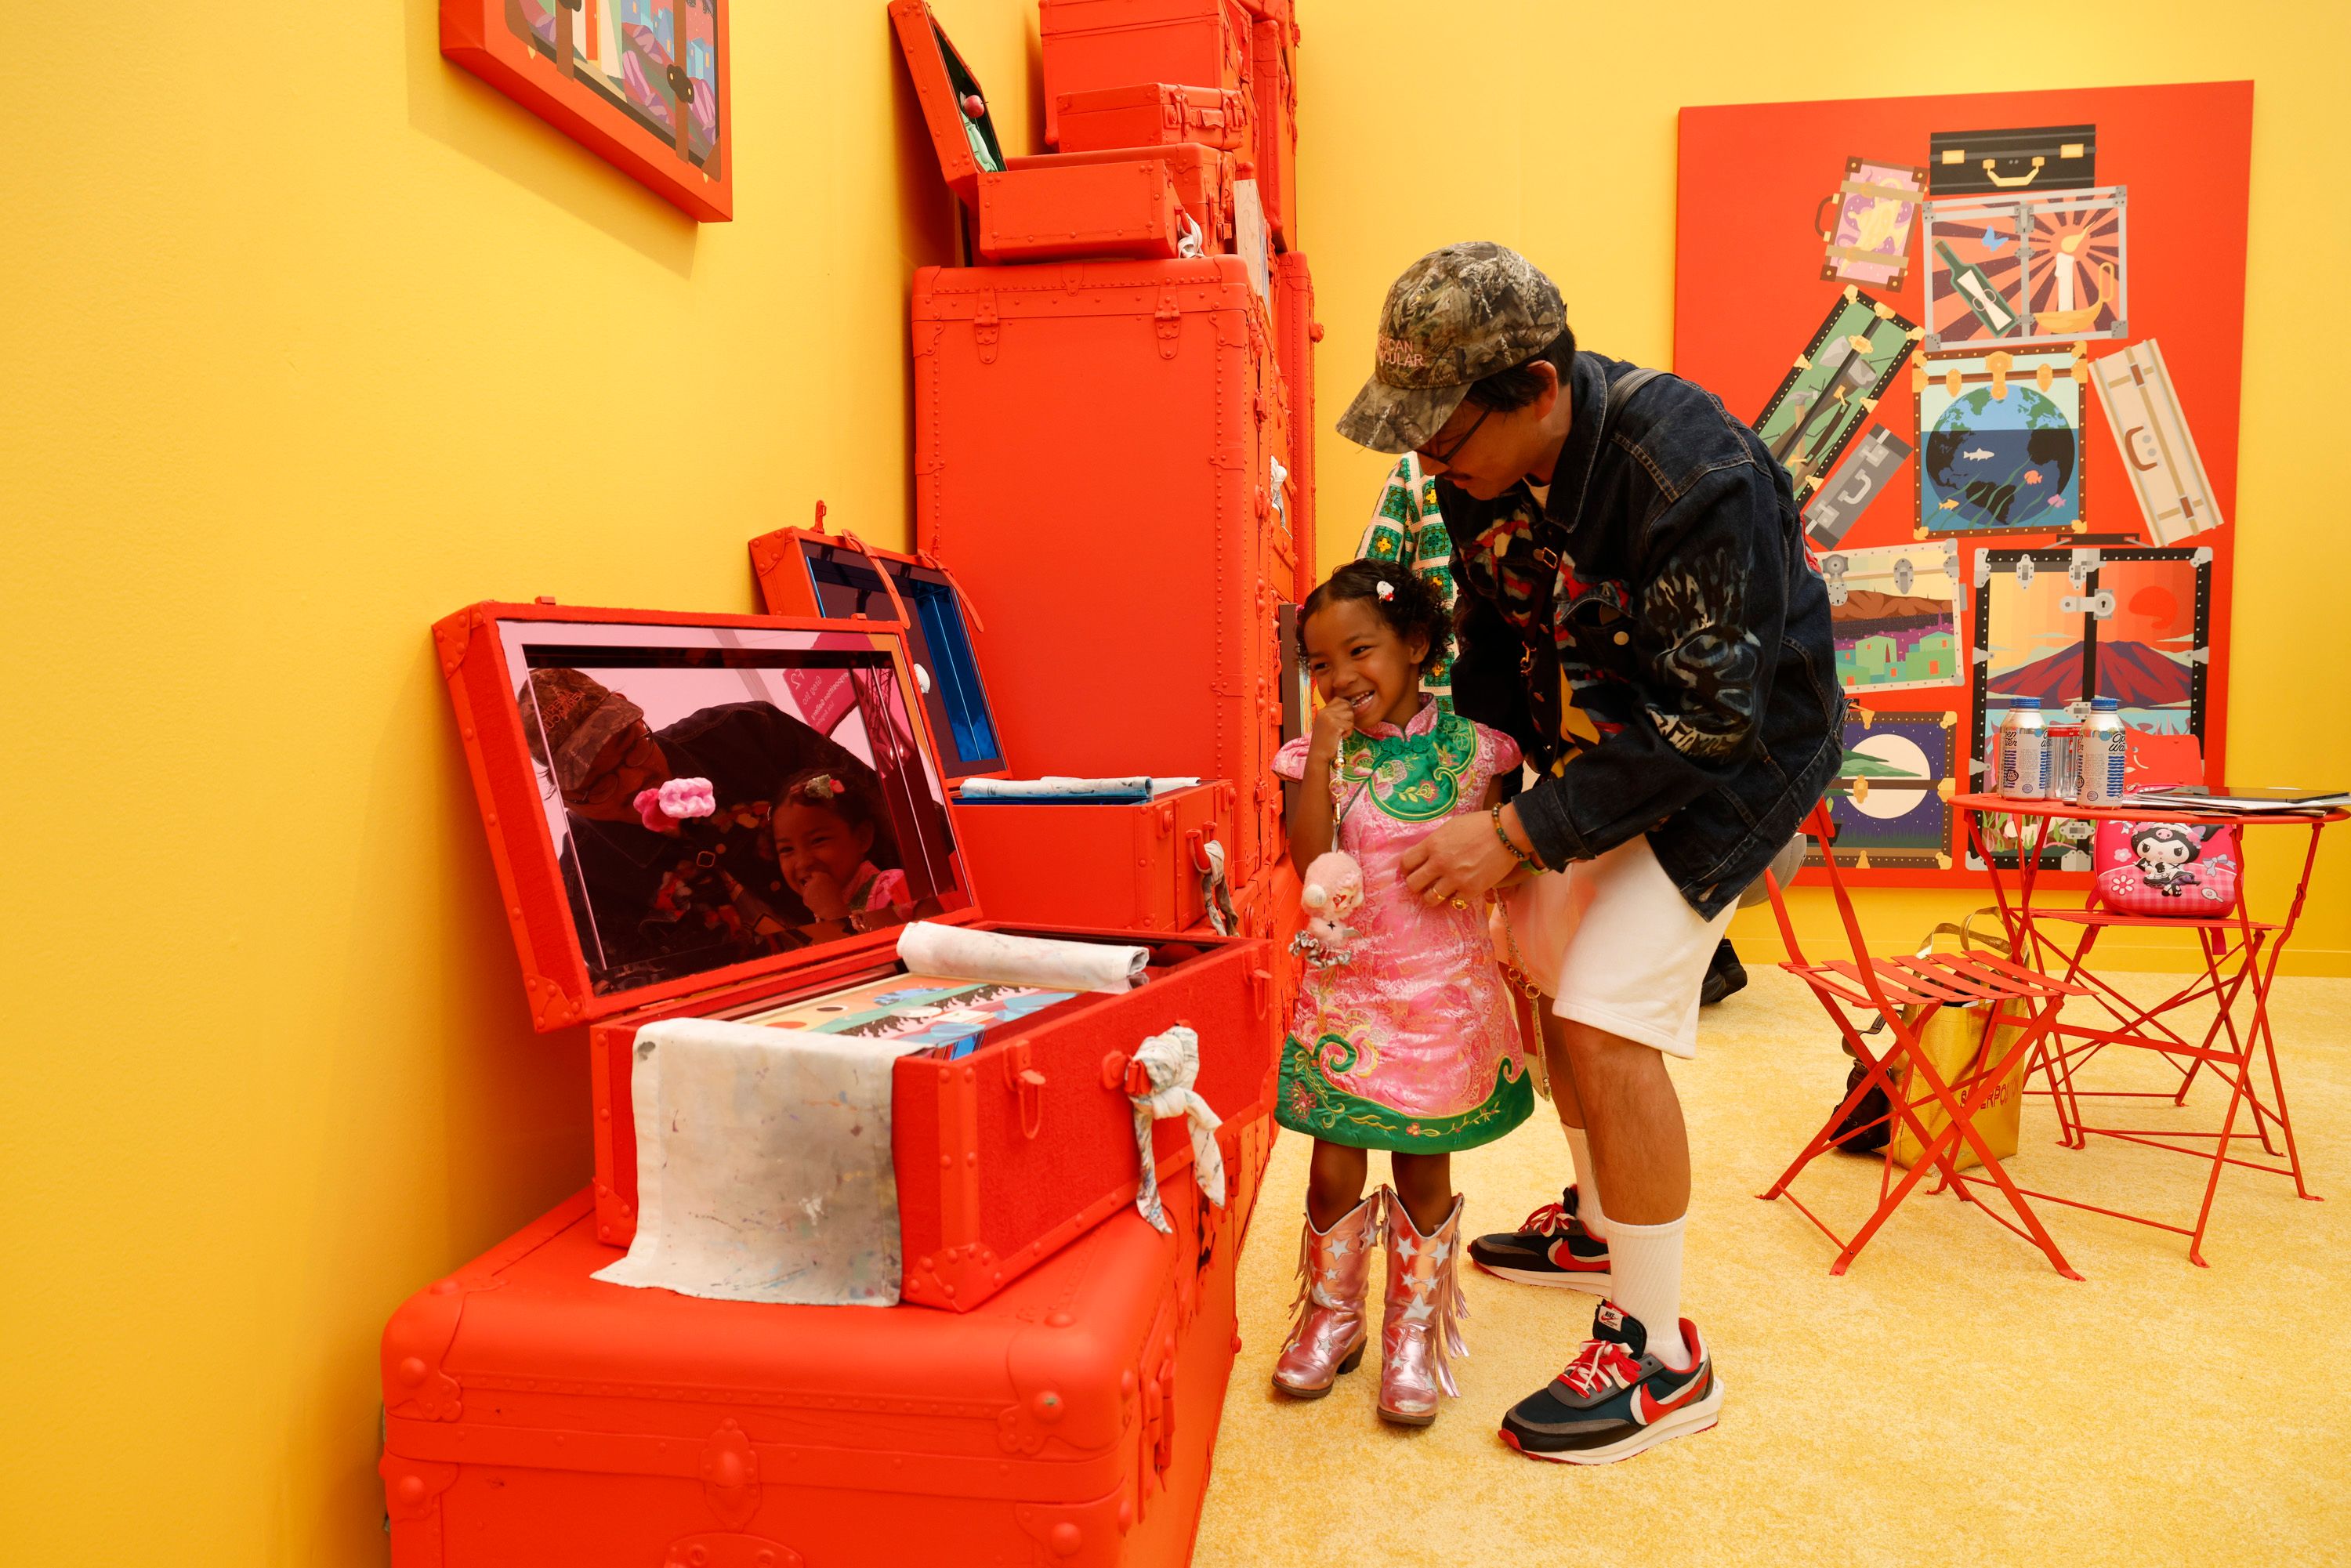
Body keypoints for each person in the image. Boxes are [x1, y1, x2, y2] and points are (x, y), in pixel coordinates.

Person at [1334, 242, 1842, 1463]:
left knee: (1609, 1016)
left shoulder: (1694, 471)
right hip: (1602, 743)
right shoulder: (1479, 470)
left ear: (1539, 390)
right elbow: (1499, 639)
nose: (1431, 466)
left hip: (1738, 757)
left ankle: (1663, 1355)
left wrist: (1519, 832)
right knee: (1547, 967)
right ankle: (1601, 1225)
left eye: (1445, 438)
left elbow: (1710, 726)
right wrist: (1481, 784)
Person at [1267, 562, 1533, 1427]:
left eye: (1360, 650)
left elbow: (1506, 858)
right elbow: (1309, 860)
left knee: (1423, 1164)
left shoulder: (1479, 752)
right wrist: (1323, 759)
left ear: (1416, 644)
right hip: (1349, 998)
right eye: (1320, 663)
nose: (1341, 676)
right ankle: (1332, 1316)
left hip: (1439, 1000)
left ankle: (1413, 1331)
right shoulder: (1318, 757)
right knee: (1332, 1161)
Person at [1353, 453, 1754, 1006]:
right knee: (1519, 907)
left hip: (1541, 728)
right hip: (1506, 723)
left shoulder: (1615, 475)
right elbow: (1380, 588)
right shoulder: (1428, 476)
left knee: (1556, 918)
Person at [517, 668, 879, 985]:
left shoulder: (749, 733)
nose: (634, 782)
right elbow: (662, 1011)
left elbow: (888, 814)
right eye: (598, 783)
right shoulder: (585, 890)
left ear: (631, 710)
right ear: (565, 796)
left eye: (631, 747)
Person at [770, 767, 915, 928]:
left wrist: (835, 912)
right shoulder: (814, 910)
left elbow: (902, 942)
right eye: (787, 849)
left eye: (818, 840)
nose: (803, 862)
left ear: (862, 838)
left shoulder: (895, 888)